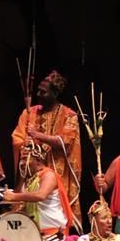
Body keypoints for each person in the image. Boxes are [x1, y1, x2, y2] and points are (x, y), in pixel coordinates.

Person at [11, 69, 82, 225]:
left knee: (53, 217)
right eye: (38, 90)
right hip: (31, 174)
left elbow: (66, 142)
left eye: (43, 92)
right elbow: (17, 138)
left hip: (58, 176)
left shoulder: (69, 115)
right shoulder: (29, 112)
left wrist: (38, 135)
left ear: (55, 94)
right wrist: (26, 145)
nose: (38, 94)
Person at [4, 138, 72, 241]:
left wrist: (14, 196)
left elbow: (41, 195)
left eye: (24, 158)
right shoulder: (30, 180)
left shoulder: (49, 175)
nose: (21, 163)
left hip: (54, 238)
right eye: (20, 158)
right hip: (37, 240)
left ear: (37, 159)